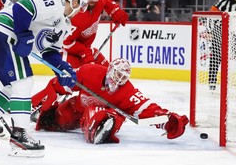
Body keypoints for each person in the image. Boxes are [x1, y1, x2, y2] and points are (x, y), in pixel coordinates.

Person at [0, 0, 89, 157]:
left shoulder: (63, 25)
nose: (80, 10)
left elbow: (50, 52)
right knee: (23, 82)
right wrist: (23, 34)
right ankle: (20, 136)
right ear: (75, 1)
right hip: (4, 33)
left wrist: (63, 69)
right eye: (82, 5)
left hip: (2, 37)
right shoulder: (56, 1)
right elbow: (22, 8)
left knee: (8, 87)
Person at [30, 58, 189, 144]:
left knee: (97, 112)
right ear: (109, 70)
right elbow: (64, 84)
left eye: (122, 78)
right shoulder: (89, 71)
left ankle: (102, 126)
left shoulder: (127, 91)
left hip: (95, 114)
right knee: (59, 120)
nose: (118, 80)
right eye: (116, 74)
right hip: (75, 108)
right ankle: (46, 115)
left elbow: (145, 108)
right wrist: (44, 99)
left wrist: (166, 120)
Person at [62, 0, 128, 69]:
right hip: (69, 53)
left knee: (107, 73)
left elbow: (107, 2)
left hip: (88, 50)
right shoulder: (75, 16)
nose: (93, 0)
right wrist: (84, 51)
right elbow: (66, 42)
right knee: (77, 79)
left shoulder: (99, 1)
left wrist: (115, 11)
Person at [207, 0, 236, 90]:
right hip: (220, 30)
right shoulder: (225, 0)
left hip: (235, 31)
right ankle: (212, 82)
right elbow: (211, 14)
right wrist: (210, 31)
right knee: (216, 55)